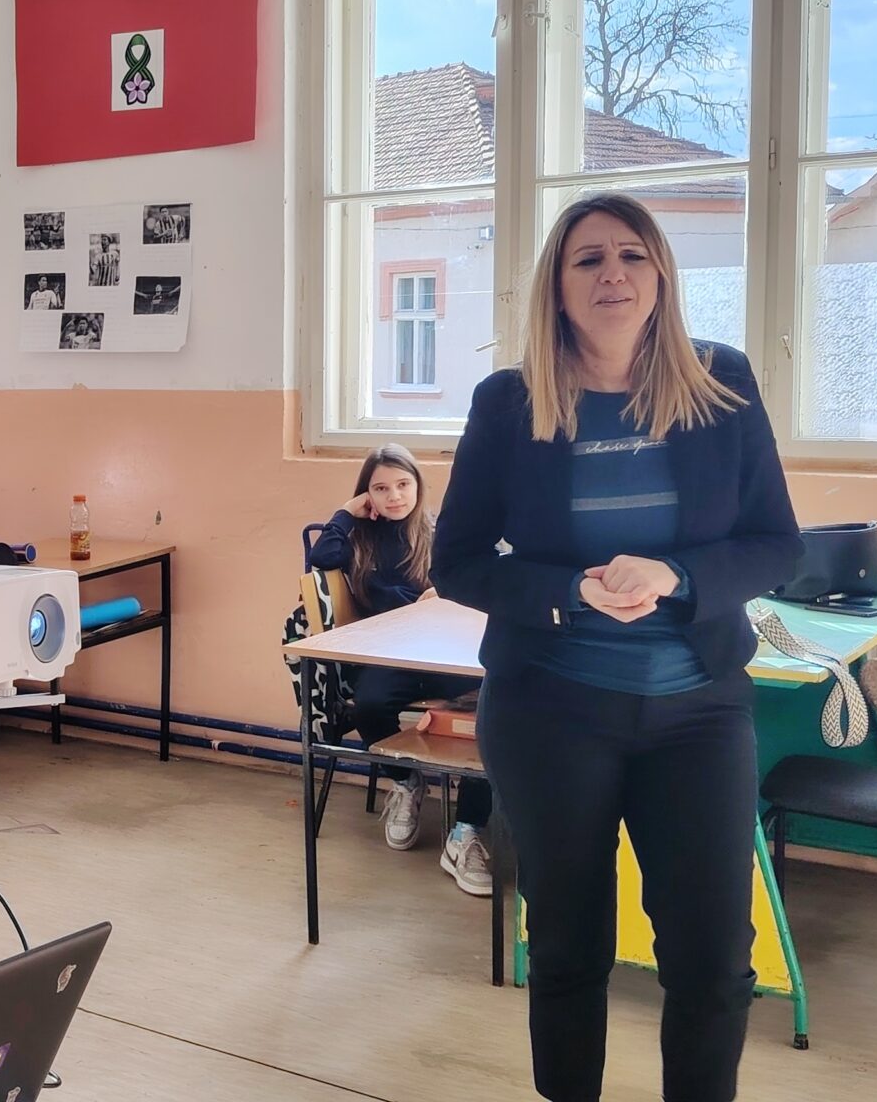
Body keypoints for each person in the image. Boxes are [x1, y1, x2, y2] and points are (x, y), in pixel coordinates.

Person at [433, 193, 801, 1102]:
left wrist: (676, 574)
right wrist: (568, 591)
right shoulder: (509, 402)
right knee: (567, 947)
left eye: (633, 255)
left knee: (713, 959)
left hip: (698, 712)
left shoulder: (720, 382)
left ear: (661, 276)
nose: (613, 275)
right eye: (588, 258)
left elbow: (776, 544)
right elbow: (458, 561)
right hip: (551, 712)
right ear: (557, 285)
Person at [305, 444, 492, 895]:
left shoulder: (436, 531)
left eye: (403, 485)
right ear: (367, 494)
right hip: (390, 653)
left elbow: (479, 576)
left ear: (418, 486)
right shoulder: (359, 537)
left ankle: (466, 829)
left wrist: (444, 594)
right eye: (381, 488)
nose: (394, 496)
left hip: (445, 651)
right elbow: (321, 560)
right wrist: (345, 513)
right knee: (368, 705)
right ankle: (405, 782)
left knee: (492, 707)